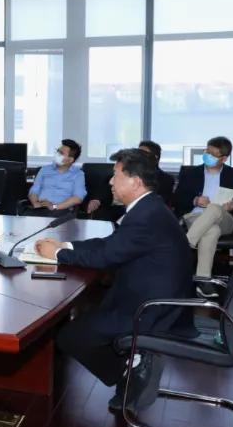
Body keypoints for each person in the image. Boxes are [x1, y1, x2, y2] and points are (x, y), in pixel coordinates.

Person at [35, 149, 194, 412]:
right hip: (154, 295)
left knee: (69, 336)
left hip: (151, 308)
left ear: (135, 181)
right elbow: (113, 244)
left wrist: (59, 254)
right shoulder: (149, 207)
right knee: (86, 319)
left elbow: (107, 256)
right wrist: (66, 245)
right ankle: (134, 363)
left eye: (115, 175)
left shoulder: (145, 215)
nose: (110, 181)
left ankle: (131, 372)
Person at [174, 136, 233, 283]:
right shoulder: (191, 173)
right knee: (212, 231)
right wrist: (195, 200)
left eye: (213, 154)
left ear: (223, 159)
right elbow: (176, 199)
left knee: (215, 207)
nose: (207, 156)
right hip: (195, 217)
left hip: (224, 218)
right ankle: (203, 281)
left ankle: (185, 243)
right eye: (207, 151)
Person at [85, 140, 174, 220]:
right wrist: (97, 200)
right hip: (113, 208)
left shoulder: (147, 211)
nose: (138, 155)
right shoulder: (123, 169)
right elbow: (105, 189)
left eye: (143, 153)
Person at [25, 139, 86, 217]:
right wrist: (35, 203)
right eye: (57, 151)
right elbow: (34, 190)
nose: (57, 154)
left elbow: (78, 198)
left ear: (70, 160)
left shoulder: (78, 174)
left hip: (60, 210)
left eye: (61, 153)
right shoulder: (44, 169)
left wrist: (54, 206)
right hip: (39, 208)